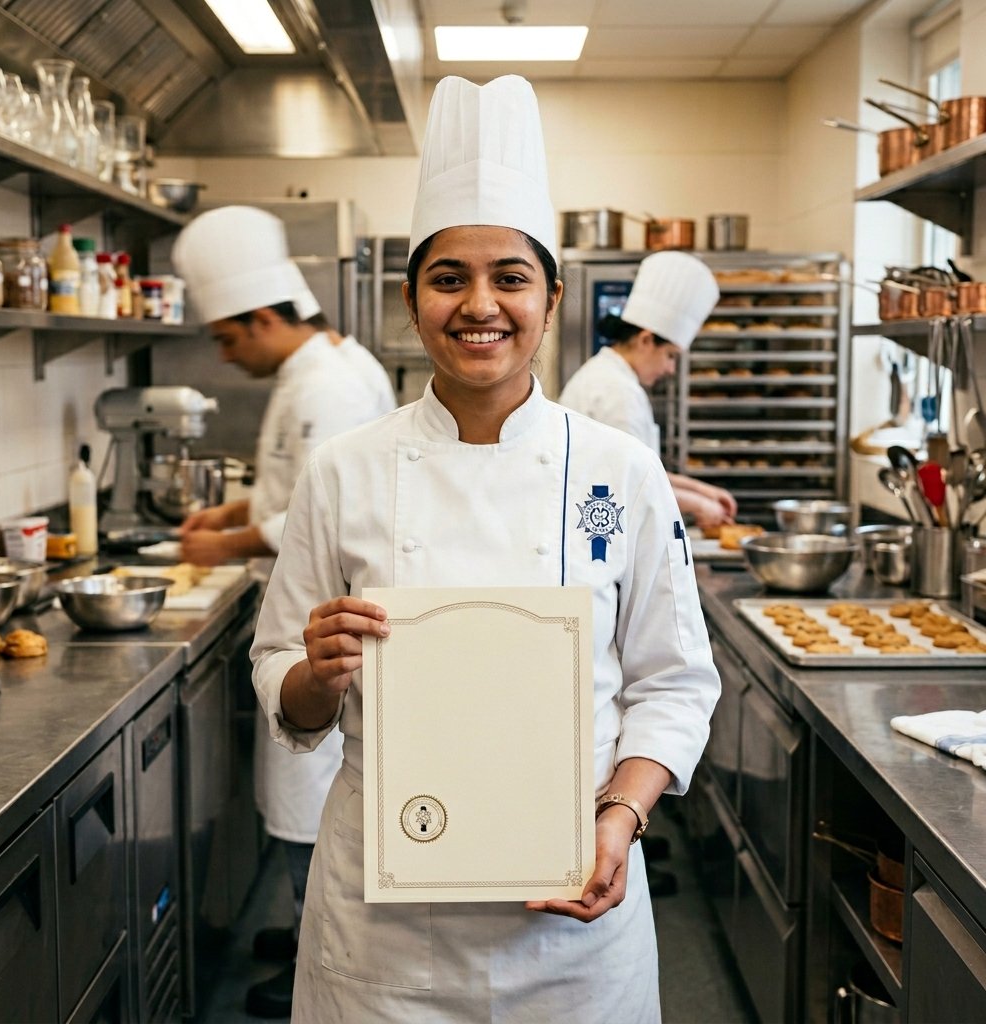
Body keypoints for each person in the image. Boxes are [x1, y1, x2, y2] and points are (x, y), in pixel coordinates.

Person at [251, 75, 721, 1023]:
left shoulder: (620, 472)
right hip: (385, 929)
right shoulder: (343, 470)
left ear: (551, 296)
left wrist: (622, 816)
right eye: (447, 278)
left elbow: (674, 685)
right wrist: (317, 674)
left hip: (574, 922)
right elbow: (279, 676)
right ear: (411, 298)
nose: (480, 305)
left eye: (510, 277)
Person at [171, 206, 394, 1019]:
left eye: (229, 339)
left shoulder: (330, 385)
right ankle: (308, 932)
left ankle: (322, 948)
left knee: (312, 789)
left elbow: (314, 516)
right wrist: (236, 514)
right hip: (307, 616)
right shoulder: (313, 371)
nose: (227, 356)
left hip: (326, 626)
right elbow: (287, 490)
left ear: (265, 318)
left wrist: (222, 544)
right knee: (302, 781)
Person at [559, 251, 737, 531]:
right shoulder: (615, 390)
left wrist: (703, 491)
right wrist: (700, 505)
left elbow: (644, 469)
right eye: (670, 356)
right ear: (645, 340)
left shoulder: (614, 378)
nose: (670, 369)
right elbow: (631, 481)